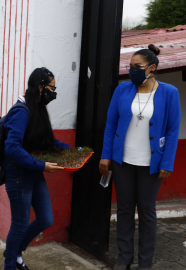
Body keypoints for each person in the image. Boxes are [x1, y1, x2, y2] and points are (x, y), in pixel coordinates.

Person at [99, 44, 181, 270]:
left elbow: (173, 130)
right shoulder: (122, 90)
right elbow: (111, 124)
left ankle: (145, 262)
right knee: (124, 210)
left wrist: (167, 162)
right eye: (129, 66)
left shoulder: (169, 92)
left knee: (147, 212)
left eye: (137, 66)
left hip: (151, 164)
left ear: (152, 68)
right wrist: (106, 155)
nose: (131, 70)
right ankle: (124, 258)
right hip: (122, 161)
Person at [3, 68, 68, 270]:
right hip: (19, 175)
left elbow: (46, 140)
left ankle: (15, 251)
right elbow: (12, 147)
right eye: (51, 87)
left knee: (46, 219)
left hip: (34, 173)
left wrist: (70, 151)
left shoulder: (38, 107)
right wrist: (41, 165)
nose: (54, 92)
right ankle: (10, 265)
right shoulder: (21, 111)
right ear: (40, 87)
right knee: (20, 224)